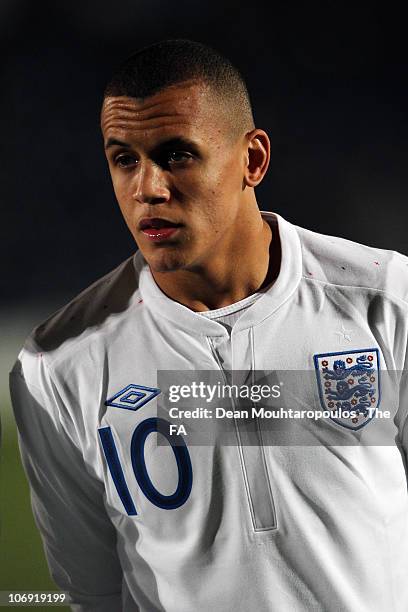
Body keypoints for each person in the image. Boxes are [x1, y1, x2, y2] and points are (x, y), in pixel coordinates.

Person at [9, 39, 408, 612]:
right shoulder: (59, 365)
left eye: (176, 155)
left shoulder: (388, 302)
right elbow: (92, 593)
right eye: (124, 159)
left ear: (252, 160)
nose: (148, 189)